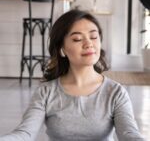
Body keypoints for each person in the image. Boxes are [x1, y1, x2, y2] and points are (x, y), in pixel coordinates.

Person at [0, 10, 145, 141]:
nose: (89, 44)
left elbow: (130, 134)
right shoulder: (46, 93)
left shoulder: (115, 93)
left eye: (94, 37)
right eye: (77, 39)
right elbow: (25, 133)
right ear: (62, 49)